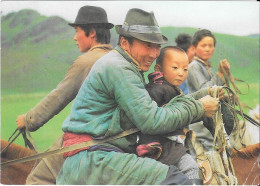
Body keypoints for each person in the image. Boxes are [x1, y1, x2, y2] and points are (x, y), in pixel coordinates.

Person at [56, 8, 219, 185]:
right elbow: (152, 120)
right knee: (177, 180)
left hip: (99, 155)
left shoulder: (126, 65)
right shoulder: (119, 68)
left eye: (157, 46)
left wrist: (206, 94)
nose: (154, 53)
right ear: (125, 43)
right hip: (96, 159)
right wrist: (200, 107)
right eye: (148, 45)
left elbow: (159, 106)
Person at [16, 5, 114, 184]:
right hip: (116, 137)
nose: (74, 37)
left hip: (89, 137)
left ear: (91, 33)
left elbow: (58, 97)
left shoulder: (86, 61)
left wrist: (28, 120)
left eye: (77, 31)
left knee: (36, 179)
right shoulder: (118, 59)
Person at [136, 46, 202, 184]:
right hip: (165, 146)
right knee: (191, 168)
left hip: (170, 145)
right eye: (175, 68)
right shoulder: (159, 90)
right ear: (158, 69)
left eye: (185, 69)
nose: (181, 73)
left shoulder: (167, 89)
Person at [187, 29, 234, 150]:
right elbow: (205, 90)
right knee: (214, 151)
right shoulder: (193, 67)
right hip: (200, 122)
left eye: (210, 45)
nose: (207, 49)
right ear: (194, 47)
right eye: (203, 45)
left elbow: (216, 90)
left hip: (211, 119)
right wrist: (220, 74)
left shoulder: (207, 67)